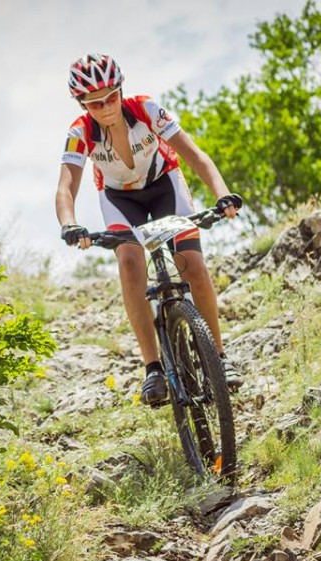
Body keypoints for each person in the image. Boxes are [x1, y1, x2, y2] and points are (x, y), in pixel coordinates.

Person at [54, 53, 243, 407]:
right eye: (96, 103)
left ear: (121, 90)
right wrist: (70, 225)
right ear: (82, 103)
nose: (107, 107)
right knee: (128, 261)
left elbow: (195, 155)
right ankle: (153, 367)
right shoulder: (79, 132)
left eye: (112, 96)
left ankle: (219, 356)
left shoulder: (145, 109)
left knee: (192, 263)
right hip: (120, 199)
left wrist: (222, 195)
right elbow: (65, 188)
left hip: (164, 186)